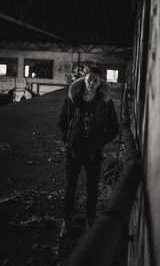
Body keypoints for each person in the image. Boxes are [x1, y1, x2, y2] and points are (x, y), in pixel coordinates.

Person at [57, 66, 118, 237]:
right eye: (89, 79)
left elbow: (113, 127)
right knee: (70, 187)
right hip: (74, 151)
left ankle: (91, 219)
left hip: (93, 152)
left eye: (95, 80)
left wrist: (101, 143)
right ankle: (67, 222)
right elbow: (62, 120)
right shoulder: (72, 99)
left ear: (100, 83)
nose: (92, 83)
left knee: (92, 188)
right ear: (84, 80)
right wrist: (67, 139)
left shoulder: (105, 102)